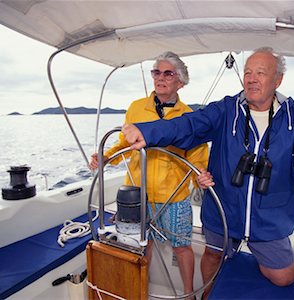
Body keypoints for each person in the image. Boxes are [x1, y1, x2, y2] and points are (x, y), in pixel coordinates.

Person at [121, 47, 294, 298]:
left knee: (283, 277)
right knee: (212, 257)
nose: (251, 79)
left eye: (260, 72)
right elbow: (187, 125)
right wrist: (147, 131)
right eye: (248, 72)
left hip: (269, 217)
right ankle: (208, 295)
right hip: (223, 209)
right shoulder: (226, 110)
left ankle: (241, 270)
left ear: (277, 80)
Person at [89, 51, 209, 298]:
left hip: (172, 197)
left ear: (181, 81)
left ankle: (188, 294)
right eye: (157, 72)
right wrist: (106, 156)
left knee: (182, 247)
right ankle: (138, 289)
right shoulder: (136, 108)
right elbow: (124, 141)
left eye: (168, 73)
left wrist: (202, 174)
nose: (160, 78)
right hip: (138, 193)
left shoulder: (189, 117)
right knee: (142, 246)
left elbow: (197, 156)